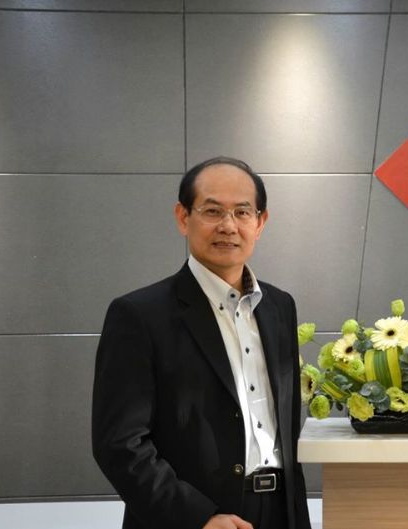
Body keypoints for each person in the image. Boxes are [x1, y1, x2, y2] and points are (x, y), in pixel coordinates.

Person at [92, 157, 311, 529]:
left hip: (279, 510)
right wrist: (198, 518)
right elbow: (120, 443)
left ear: (260, 222)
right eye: (212, 211)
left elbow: (284, 432)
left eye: (242, 212)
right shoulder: (139, 314)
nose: (228, 225)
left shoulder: (280, 307)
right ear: (183, 217)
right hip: (194, 517)